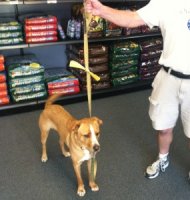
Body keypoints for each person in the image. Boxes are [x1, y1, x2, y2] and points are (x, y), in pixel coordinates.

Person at [85, 0, 190, 179]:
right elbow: (132, 19)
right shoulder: (165, 2)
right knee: (163, 127)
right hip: (168, 76)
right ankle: (162, 158)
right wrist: (102, 10)